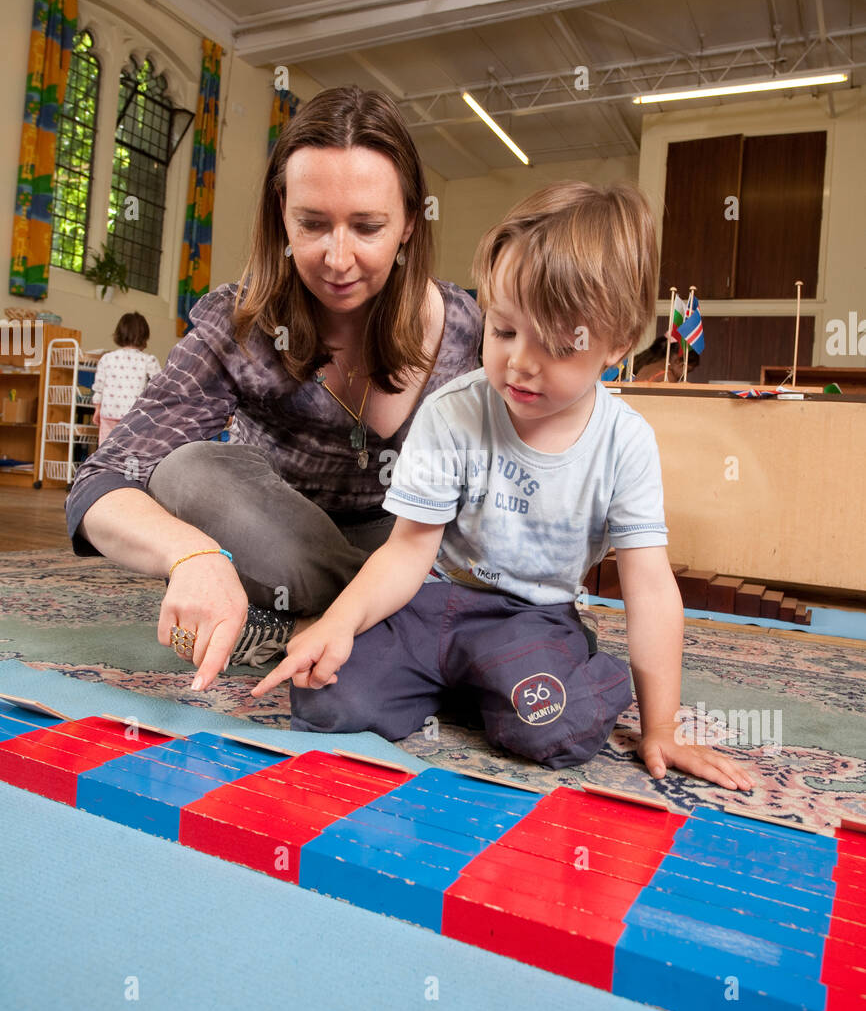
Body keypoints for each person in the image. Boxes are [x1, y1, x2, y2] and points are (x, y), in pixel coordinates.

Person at [252, 182, 753, 791]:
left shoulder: (626, 443)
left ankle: (556, 675)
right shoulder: (452, 411)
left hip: (531, 619)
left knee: (553, 731)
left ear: (617, 345)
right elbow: (409, 549)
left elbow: (649, 587)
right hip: (432, 604)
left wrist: (661, 726)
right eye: (504, 330)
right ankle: (479, 683)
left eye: (556, 344)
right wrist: (337, 622)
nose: (520, 362)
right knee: (326, 702)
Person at [65, 85, 482, 678]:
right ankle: (387, 619)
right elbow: (100, 482)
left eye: (367, 227)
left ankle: (328, 620)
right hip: (282, 543)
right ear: (281, 212)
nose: (338, 259)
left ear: (411, 222)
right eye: (312, 224)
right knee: (187, 470)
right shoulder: (239, 320)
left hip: (410, 541)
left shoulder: (468, 328)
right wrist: (192, 553)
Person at [91, 312, 160, 445]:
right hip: (134, 416)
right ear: (144, 336)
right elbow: (160, 386)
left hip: (109, 414)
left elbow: (99, 388)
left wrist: (97, 409)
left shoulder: (107, 359)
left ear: (119, 333)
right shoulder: (148, 361)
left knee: (106, 451)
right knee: (130, 453)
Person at [632, 334, 700, 382]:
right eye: (687, 371)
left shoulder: (645, 368)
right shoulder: (667, 377)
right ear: (678, 361)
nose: (685, 376)